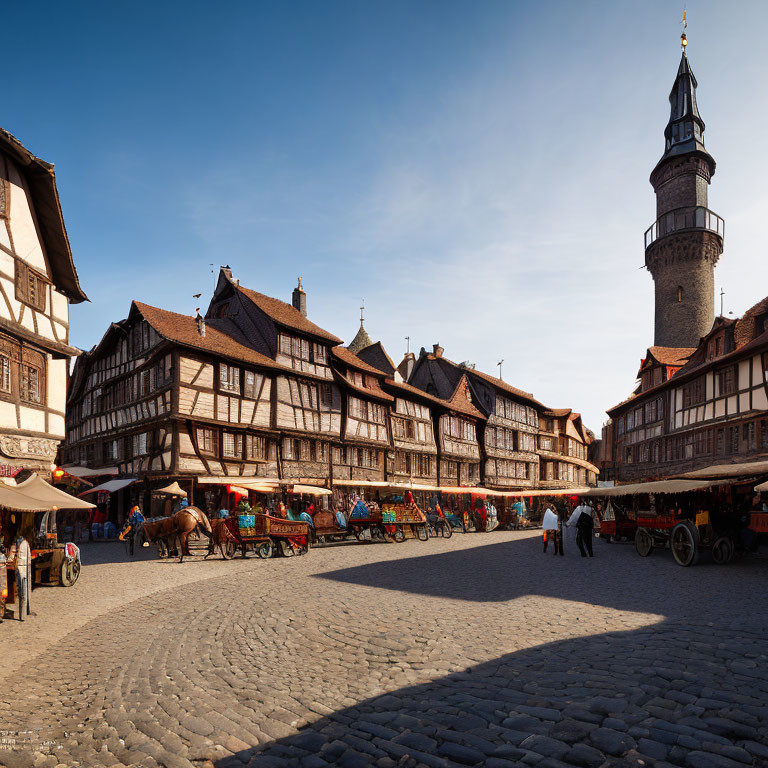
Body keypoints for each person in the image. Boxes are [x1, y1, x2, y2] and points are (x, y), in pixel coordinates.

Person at [8, 534, 32, 621]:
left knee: (22, 593)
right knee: (23, 592)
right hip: (24, 569)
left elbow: (11, 557)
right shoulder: (24, 544)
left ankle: (23, 614)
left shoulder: (20, 544)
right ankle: (24, 614)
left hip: (21, 569)